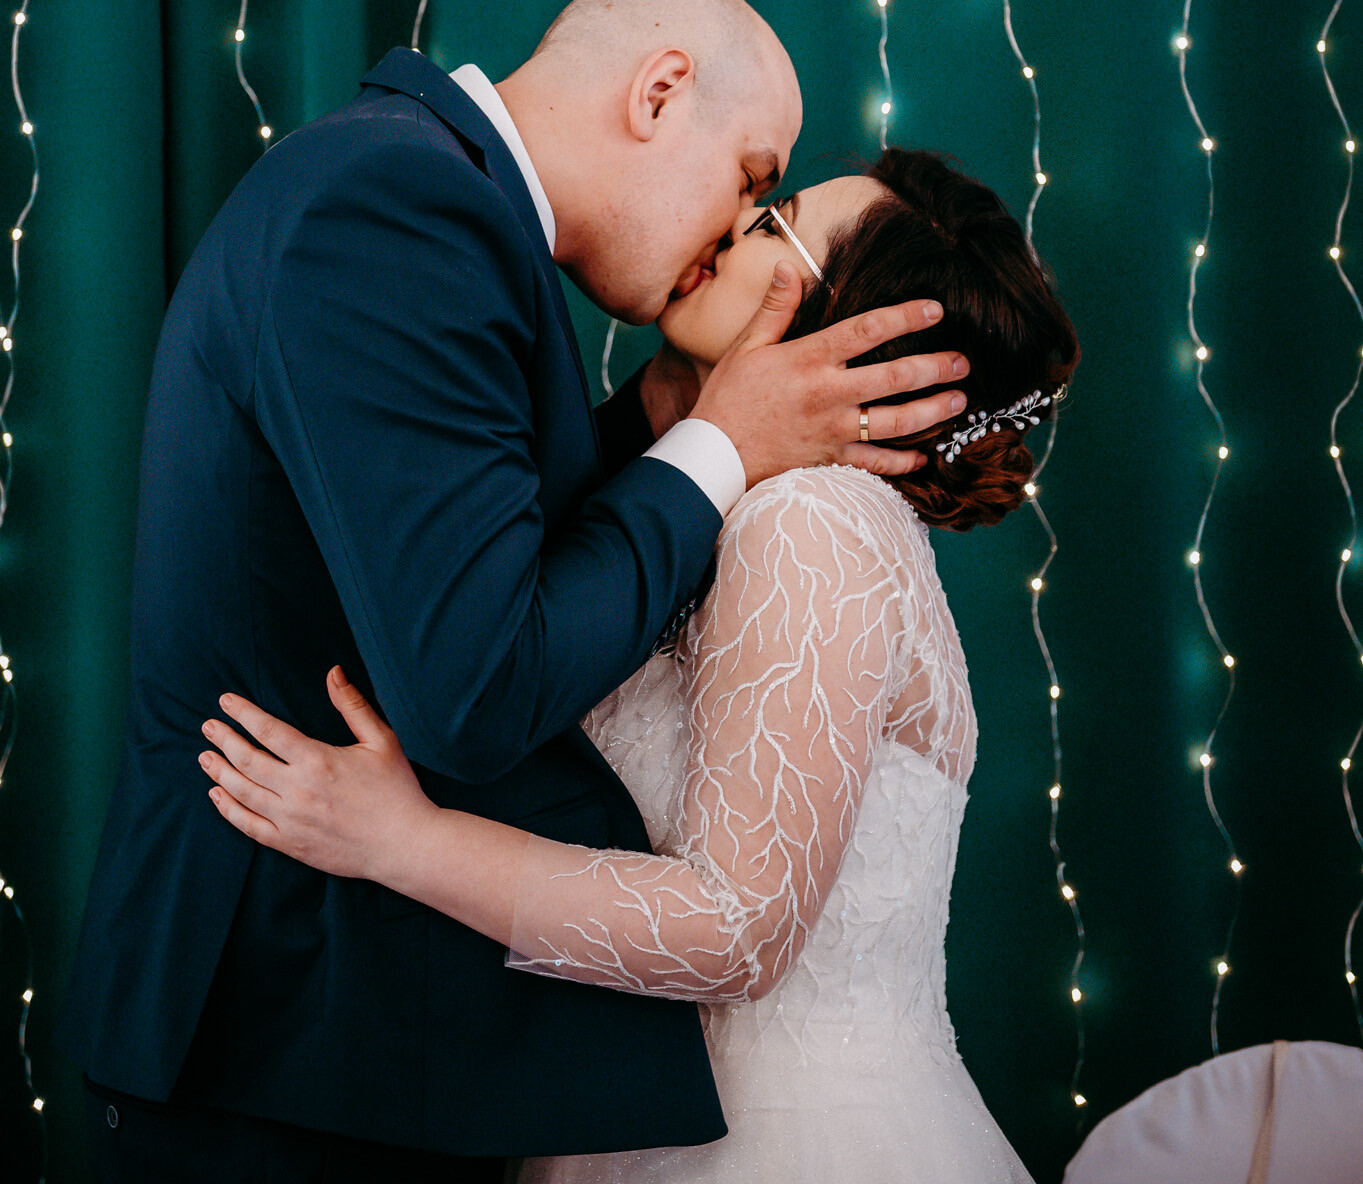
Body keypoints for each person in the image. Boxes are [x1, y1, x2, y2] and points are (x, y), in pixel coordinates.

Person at [58, 0, 970, 1183]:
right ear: (658, 92)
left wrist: (666, 416)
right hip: (284, 1041)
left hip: (357, 1052)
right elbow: (477, 683)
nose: (731, 232)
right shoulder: (399, 206)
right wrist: (717, 442)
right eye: (751, 181)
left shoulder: (422, 192)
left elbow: (464, 543)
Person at [199, 147, 1081, 1183]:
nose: (735, 220)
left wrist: (404, 840)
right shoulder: (724, 507)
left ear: (848, 335)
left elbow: (738, 931)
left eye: (774, 224)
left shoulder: (813, 522)